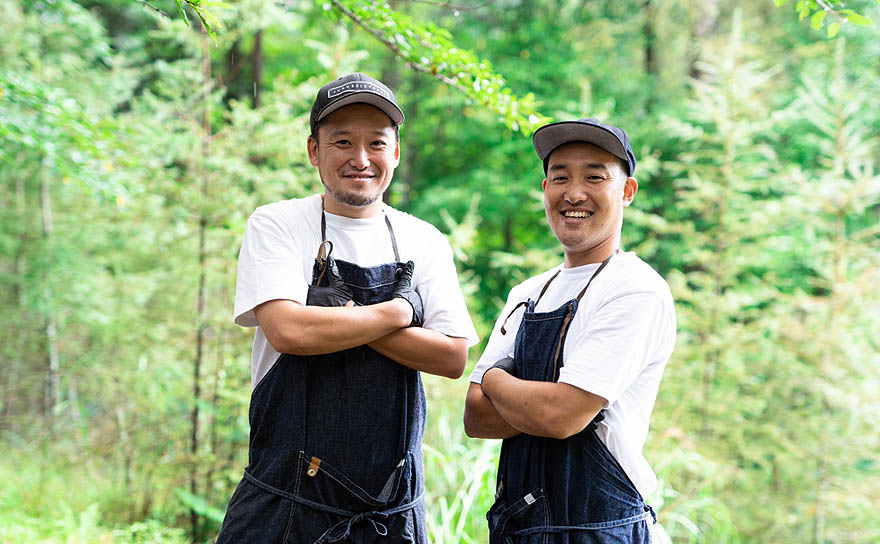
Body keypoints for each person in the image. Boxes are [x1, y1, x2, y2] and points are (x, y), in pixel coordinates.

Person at [217, 72, 479, 544]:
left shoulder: (424, 239)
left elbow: (452, 356)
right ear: (315, 151)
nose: (361, 159)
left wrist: (333, 315)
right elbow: (289, 332)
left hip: (390, 514)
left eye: (376, 143)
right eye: (342, 142)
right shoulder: (279, 223)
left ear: (395, 152)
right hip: (284, 505)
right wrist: (399, 312)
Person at [463, 118, 675, 543]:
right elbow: (476, 416)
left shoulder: (635, 289)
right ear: (545, 190)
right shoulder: (527, 293)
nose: (574, 193)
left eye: (595, 177)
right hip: (519, 528)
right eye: (560, 177)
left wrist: (494, 377)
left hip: (600, 530)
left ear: (627, 191)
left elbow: (560, 416)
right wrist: (535, 402)